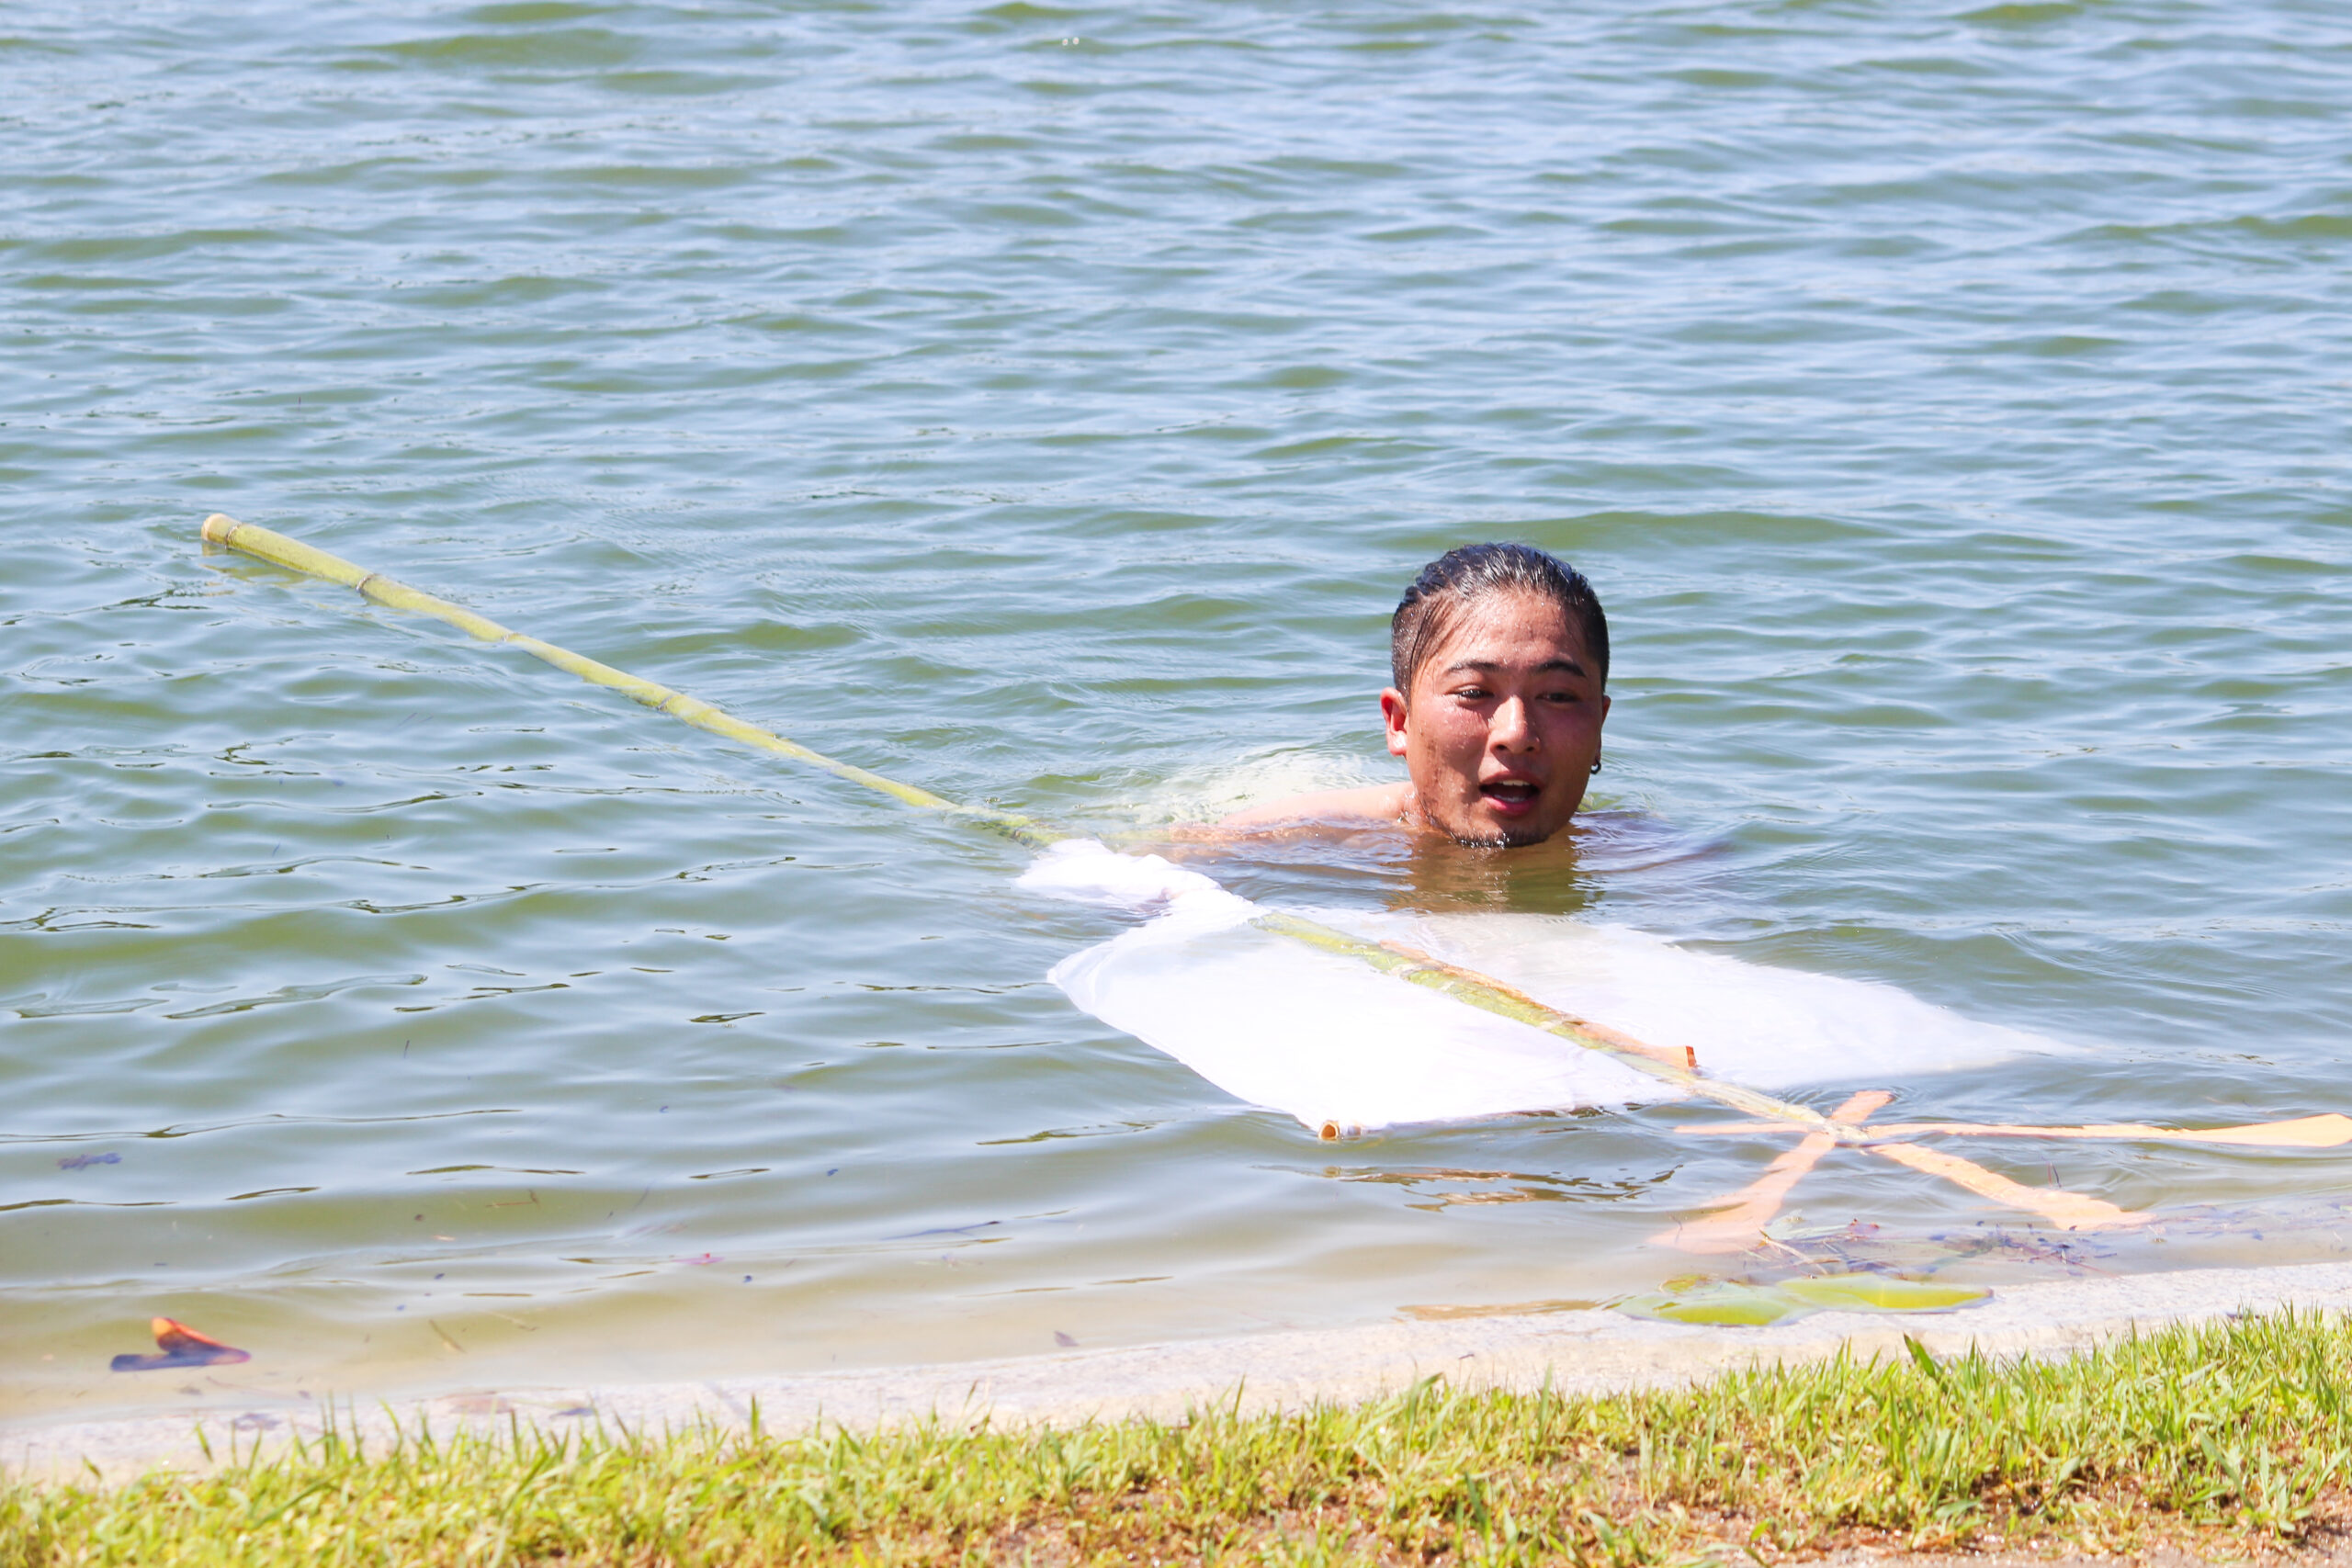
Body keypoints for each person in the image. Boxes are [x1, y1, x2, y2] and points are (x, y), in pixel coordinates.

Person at [1221, 544, 1611, 848]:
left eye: (1558, 696)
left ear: (1599, 729)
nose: (1517, 733)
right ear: (1400, 722)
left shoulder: (1650, 863)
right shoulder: (1285, 842)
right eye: (1474, 692)